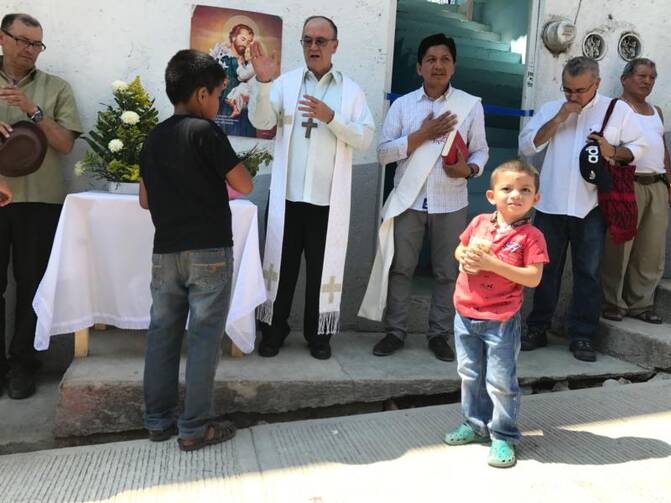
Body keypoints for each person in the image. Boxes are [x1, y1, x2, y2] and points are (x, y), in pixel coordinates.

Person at [139, 49, 253, 451]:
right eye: (220, 94)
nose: (220, 103)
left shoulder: (153, 137)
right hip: (208, 251)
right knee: (204, 338)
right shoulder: (206, 132)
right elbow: (244, 184)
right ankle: (194, 427)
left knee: (162, 334)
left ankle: (157, 420)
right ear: (202, 94)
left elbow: (145, 200)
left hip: (165, 252)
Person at [248, 15, 374, 360]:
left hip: (327, 201)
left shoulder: (351, 91)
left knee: (322, 271)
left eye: (321, 41)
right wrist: (262, 83)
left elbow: (365, 139)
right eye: (308, 41)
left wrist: (332, 118)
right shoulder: (284, 84)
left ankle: (318, 336)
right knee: (281, 268)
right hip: (286, 198)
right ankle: (273, 331)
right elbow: (261, 122)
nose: (314, 47)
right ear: (301, 45)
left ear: (335, 45)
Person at [359, 33, 488, 362]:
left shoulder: (470, 106)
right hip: (409, 200)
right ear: (419, 67)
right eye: (431, 59)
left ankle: (439, 335)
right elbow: (383, 153)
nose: (438, 65)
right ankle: (395, 332)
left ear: (454, 66)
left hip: (451, 201)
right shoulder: (403, 106)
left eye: (445, 59)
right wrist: (420, 136)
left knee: (447, 272)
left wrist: (470, 169)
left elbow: (481, 150)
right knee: (402, 268)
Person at [519, 56, 646, 362]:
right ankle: (538, 327)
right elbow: (527, 145)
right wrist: (559, 118)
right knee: (545, 270)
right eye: (568, 90)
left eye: (580, 90)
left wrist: (613, 150)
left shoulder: (617, 111)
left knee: (588, 273)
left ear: (597, 84)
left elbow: (640, 147)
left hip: (592, 206)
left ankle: (582, 335)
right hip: (550, 204)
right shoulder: (552, 109)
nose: (573, 96)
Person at [444, 160, 548, 469]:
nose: (515, 195)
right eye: (507, 189)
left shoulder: (532, 236)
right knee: (469, 373)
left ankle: (503, 434)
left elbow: (533, 277)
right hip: (465, 312)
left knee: (501, 380)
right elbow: (459, 249)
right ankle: (475, 424)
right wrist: (464, 256)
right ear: (491, 195)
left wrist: (492, 265)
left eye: (524, 190)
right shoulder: (479, 223)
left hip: (502, 318)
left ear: (535, 199)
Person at [0, 13, 82, 399]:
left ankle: (23, 366)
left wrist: (34, 111)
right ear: (3, 39)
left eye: (37, 44)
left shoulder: (56, 87)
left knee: (33, 287)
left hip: (40, 201)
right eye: (23, 41)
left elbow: (65, 144)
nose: (30, 50)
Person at [601, 58, 670, 324]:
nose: (647, 81)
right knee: (619, 246)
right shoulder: (616, 108)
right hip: (626, 184)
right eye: (642, 76)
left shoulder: (657, 111)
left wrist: (669, 183)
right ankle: (612, 302)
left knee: (651, 250)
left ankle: (641, 304)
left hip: (656, 185)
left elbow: (662, 149)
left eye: (652, 77)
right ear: (625, 79)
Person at [210, 23, 256, 135]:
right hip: (225, 116)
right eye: (243, 39)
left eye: (249, 41)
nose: (246, 44)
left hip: (245, 118)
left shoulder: (248, 61)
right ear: (234, 37)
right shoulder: (224, 59)